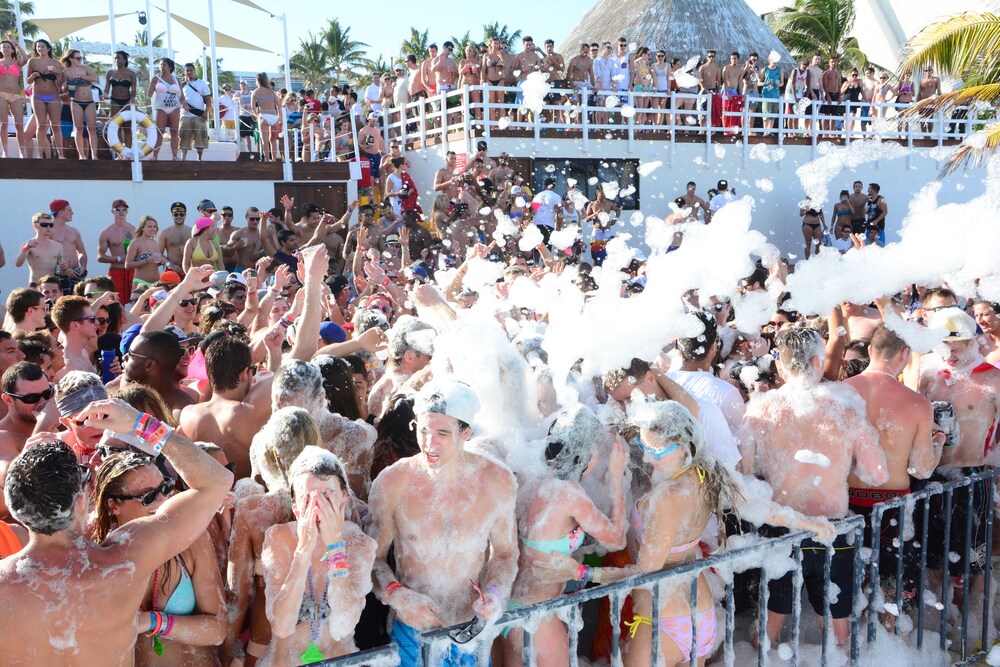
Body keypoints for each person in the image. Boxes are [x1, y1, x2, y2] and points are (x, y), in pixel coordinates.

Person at [0, 398, 232, 664]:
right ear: (79, 503)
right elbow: (217, 481)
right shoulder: (122, 561)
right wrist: (139, 422)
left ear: (17, 509)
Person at [739, 327, 888, 646]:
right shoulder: (846, 407)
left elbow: (746, 473)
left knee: (768, 626)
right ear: (819, 361)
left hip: (780, 525)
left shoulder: (760, 409)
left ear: (781, 367)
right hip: (831, 527)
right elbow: (876, 473)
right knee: (838, 631)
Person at [368, 380, 517, 666]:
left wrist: (496, 594)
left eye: (442, 433)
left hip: (469, 633)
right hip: (413, 634)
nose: (429, 443)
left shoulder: (496, 481)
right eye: (423, 430)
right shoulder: (393, 482)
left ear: (466, 433)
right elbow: (372, 560)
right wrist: (397, 595)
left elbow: (505, 554)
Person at [501, 406, 628, 667]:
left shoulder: (536, 480)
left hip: (512, 610)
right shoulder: (569, 492)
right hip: (539, 618)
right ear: (588, 455)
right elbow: (617, 539)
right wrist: (616, 477)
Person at [92, 449, 226, 666]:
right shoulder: (98, 559)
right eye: (149, 496)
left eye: (165, 489)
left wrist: (152, 621)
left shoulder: (192, 541)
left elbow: (217, 630)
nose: (163, 501)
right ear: (113, 505)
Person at [845, 323, 942, 615]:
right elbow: (923, 468)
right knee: (894, 591)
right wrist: (939, 440)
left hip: (846, 503)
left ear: (871, 350)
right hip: (893, 507)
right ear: (903, 354)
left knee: (850, 585)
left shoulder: (838, 393)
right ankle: (891, 643)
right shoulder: (917, 403)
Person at [918, 308, 1000, 619]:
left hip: (974, 476)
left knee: (976, 558)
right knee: (935, 558)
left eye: (958, 347)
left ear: (974, 343)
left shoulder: (993, 379)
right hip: (936, 476)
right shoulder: (929, 375)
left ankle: (977, 620)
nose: (950, 355)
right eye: (944, 347)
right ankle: (943, 620)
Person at [260, 446, 377, 665]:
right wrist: (303, 551)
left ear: (343, 499)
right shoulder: (279, 538)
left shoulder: (359, 544)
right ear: (295, 506)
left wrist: (336, 549)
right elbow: (281, 625)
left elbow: (346, 624)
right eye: (308, 498)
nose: (318, 506)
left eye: (326, 496)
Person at [0, 361, 52, 519]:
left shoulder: (56, 424)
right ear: (8, 399)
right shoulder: (3, 436)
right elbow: (11, 477)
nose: (42, 403)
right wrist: (45, 424)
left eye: (47, 394)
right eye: (31, 398)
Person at [122, 329, 196, 416]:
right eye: (182, 351)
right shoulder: (128, 389)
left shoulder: (182, 411)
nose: (124, 358)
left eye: (131, 354)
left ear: (149, 365)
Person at [26, 39, 63, 159]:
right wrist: (33, 76)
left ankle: (61, 154)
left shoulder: (56, 63)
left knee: (56, 125)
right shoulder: (32, 61)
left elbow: (60, 83)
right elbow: (28, 80)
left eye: (42, 46)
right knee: (40, 125)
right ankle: (40, 154)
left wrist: (56, 73)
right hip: (38, 95)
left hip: (53, 96)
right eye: (38, 47)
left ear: (48, 49)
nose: (40, 48)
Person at [59, 49, 99, 160]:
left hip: (89, 101)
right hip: (75, 101)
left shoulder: (85, 68)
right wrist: (67, 84)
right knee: (78, 129)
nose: (80, 60)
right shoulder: (66, 72)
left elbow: (95, 78)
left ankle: (94, 155)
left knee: (92, 129)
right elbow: (62, 88)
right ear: (71, 59)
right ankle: (82, 155)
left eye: (81, 58)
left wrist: (81, 77)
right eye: (77, 58)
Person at [50, 295, 99, 377]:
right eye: (92, 319)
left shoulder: (83, 353)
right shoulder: (68, 365)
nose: (97, 323)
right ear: (75, 325)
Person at [97, 199, 136, 299]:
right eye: (118, 209)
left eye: (124, 209)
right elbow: (100, 256)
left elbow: (143, 250)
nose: (121, 212)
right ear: (112, 211)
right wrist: (118, 259)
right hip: (116, 271)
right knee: (115, 301)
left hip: (133, 271)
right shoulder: (107, 232)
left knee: (135, 299)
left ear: (127, 211)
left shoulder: (135, 231)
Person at [48, 198, 88, 295]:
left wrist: (83, 266)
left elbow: (81, 251)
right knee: (62, 305)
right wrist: (64, 270)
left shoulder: (74, 231)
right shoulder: (49, 231)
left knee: (79, 304)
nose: (72, 213)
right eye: (69, 210)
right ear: (61, 212)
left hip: (76, 273)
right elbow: (47, 255)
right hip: (58, 275)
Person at [15, 212, 63, 287]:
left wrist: (65, 268)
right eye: (44, 225)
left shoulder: (58, 246)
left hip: (53, 286)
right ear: (35, 226)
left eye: (51, 225)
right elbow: (18, 264)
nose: (48, 228)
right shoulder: (28, 244)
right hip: (35, 285)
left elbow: (59, 269)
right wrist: (26, 248)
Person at [149, 58, 183, 160]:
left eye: (164, 65)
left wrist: (184, 104)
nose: (161, 67)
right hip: (161, 108)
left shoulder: (177, 79)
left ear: (170, 67)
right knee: (160, 132)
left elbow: (181, 95)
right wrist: (147, 98)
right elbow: (149, 92)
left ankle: (175, 156)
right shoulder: (156, 79)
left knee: (174, 131)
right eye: (160, 65)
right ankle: (155, 156)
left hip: (175, 107)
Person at [0, 38, 29, 158]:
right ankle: (5, 152)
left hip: (16, 95)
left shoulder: (17, 62)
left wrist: (16, 44)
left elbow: (26, 58)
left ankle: (22, 152)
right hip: (1, 94)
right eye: (3, 47)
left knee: (19, 124)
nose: (6, 48)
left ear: (12, 49)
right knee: (4, 124)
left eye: (8, 46)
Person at [180, 63, 212, 161]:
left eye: (191, 70)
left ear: (194, 71)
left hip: (199, 114)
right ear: (184, 72)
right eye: (187, 70)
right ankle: (183, 160)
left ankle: (199, 159)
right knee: (183, 137)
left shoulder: (202, 83)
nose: (189, 72)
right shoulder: (182, 85)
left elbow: (208, 99)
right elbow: (179, 97)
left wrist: (206, 111)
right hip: (185, 115)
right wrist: (183, 103)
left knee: (200, 138)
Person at [126, 215, 166, 286]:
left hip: (156, 283)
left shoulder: (154, 242)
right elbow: (128, 265)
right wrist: (147, 260)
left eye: (154, 226)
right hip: (141, 283)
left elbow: (154, 263)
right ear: (142, 228)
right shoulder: (135, 243)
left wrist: (162, 261)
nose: (153, 229)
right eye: (149, 226)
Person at [252, 72, 281, 162]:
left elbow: (253, 107)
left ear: (257, 81)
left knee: (264, 141)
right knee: (272, 140)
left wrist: (257, 116)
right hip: (274, 116)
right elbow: (278, 105)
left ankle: (267, 160)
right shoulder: (271, 91)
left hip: (263, 116)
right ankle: (274, 159)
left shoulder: (255, 92)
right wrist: (279, 117)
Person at [160, 202, 192, 275]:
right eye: (176, 214)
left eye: (181, 214)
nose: (178, 216)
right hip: (171, 271)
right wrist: (171, 265)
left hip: (189, 270)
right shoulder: (165, 233)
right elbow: (158, 253)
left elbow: (198, 250)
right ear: (172, 215)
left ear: (185, 215)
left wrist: (188, 252)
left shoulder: (192, 232)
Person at [104, 50, 138, 119]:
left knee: (127, 124)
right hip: (114, 100)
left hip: (127, 101)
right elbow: (107, 86)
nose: (116, 60)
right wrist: (105, 93)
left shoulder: (131, 74)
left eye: (119, 58)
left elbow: (133, 89)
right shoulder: (110, 73)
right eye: (115, 58)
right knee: (114, 123)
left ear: (124, 60)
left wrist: (132, 98)